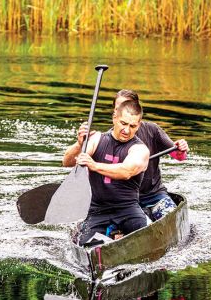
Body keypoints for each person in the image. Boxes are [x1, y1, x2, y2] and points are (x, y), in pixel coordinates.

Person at [76, 89, 189, 221]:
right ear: (115, 114)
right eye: (119, 108)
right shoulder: (104, 139)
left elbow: (179, 156)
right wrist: (80, 146)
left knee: (170, 219)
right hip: (121, 201)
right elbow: (78, 163)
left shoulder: (152, 130)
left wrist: (181, 150)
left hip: (153, 195)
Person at [63, 100, 149, 246]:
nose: (127, 130)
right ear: (114, 117)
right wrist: (79, 145)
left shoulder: (140, 150)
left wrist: (94, 165)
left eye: (132, 126)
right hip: (97, 210)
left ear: (138, 126)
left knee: (145, 242)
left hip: (128, 209)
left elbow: (126, 171)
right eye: (123, 123)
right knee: (83, 246)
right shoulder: (97, 139)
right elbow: (67, 162)